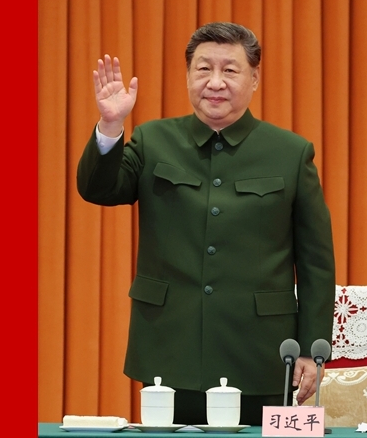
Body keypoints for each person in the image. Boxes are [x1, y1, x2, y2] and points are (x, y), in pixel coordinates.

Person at [77, 22, 335, 426]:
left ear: (254, 79)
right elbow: (98, 189)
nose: (215, 82)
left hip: (263, 353)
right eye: (203, 69)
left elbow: (316, 260)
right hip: (169, 347)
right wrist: (110, 127)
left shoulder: (290, 152)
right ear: (187, 76)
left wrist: (310, 349)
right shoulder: (153, 140)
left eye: (230, 70)